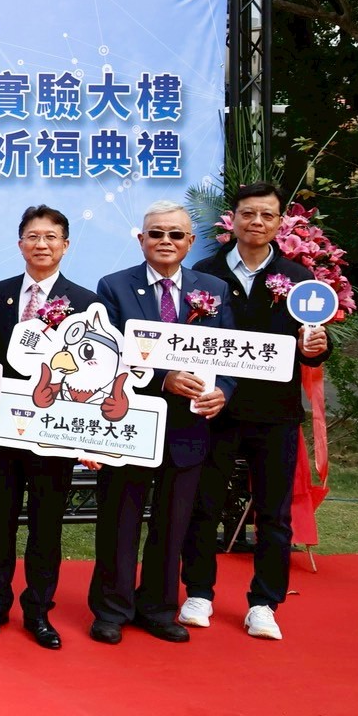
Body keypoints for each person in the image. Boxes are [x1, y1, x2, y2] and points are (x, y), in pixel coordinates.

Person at [181, 181, 329, 640]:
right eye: (249, 213)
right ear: (234, 220)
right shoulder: (204, 273)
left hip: (275, 413)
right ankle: (198, 592)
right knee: (203, 506)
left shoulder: (298, 278)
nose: (257, 222)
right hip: (214, 410)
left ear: (280, 222)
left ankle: (264, 603)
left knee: (274, 515)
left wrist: (316, 347)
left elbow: (312, 346)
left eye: (267, 215)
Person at [89, 200, 235, 645]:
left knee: (173, 524)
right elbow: (105, 356)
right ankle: (111, 609)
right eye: (156, 233)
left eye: (175, 234)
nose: (165, 241)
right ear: (141, 239)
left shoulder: (214, 288)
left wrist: (223, 392)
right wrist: (161, 378)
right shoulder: (113, 286)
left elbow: (231, 355)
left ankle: (158, 607)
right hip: (129, 424)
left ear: (190, 241)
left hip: (189, 427)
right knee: (120, 520)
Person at [0, 205, 99, 650]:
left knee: (46, 525)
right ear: (20, 243)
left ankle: (39, 610)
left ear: (65, 245)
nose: (41, 245)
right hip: (4, 430)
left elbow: (95, 371)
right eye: (32, 236)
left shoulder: (85, 301)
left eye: (50, 237)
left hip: (56, 433)